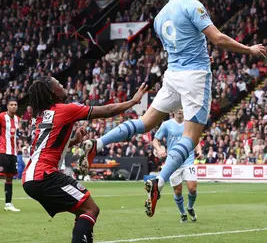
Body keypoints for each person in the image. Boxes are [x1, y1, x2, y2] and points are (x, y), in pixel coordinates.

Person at [79, 0, 266, 218]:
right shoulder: (192, 4)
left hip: (173, 75)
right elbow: (219, 39)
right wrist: (249, 49)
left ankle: (99, 142)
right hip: (195, 76)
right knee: (191, 136)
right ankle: (160, 181)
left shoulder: (159, 17)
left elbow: (182, 43)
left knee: (145, 122)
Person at [22, 76, 147, 243]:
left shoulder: (40, 116)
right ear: (54, 92)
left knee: (84, 211)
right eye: (59, 84)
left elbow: (48, 146)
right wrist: (133, 101)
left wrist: (74, 141)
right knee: (90, 209)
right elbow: (108, 110)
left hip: (31, 177)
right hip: (44, 175)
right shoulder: (65, 109)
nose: (63, 85)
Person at [153, 110, 202, 223]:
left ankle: (189, 207)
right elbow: (155, 140)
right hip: (173, 162)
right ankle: (182, 213)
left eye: (182, 108)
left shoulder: (189, 124)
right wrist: (159, 149)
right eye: (177, 108)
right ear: (172, 111)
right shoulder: (166, 125)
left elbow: (195, 139)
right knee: (178, 191)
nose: (179, 110)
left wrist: (198, 150)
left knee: (192, 188)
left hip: (188, 160)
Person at [0, 99, 21, 212]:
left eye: (15, 105)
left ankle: (8, 204)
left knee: (9, 177)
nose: (13, 106)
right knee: (2, 175)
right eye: (11, 105)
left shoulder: (18, 119)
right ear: (7, 106)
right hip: (2, 151)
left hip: (13, 153)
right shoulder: (2, 117)